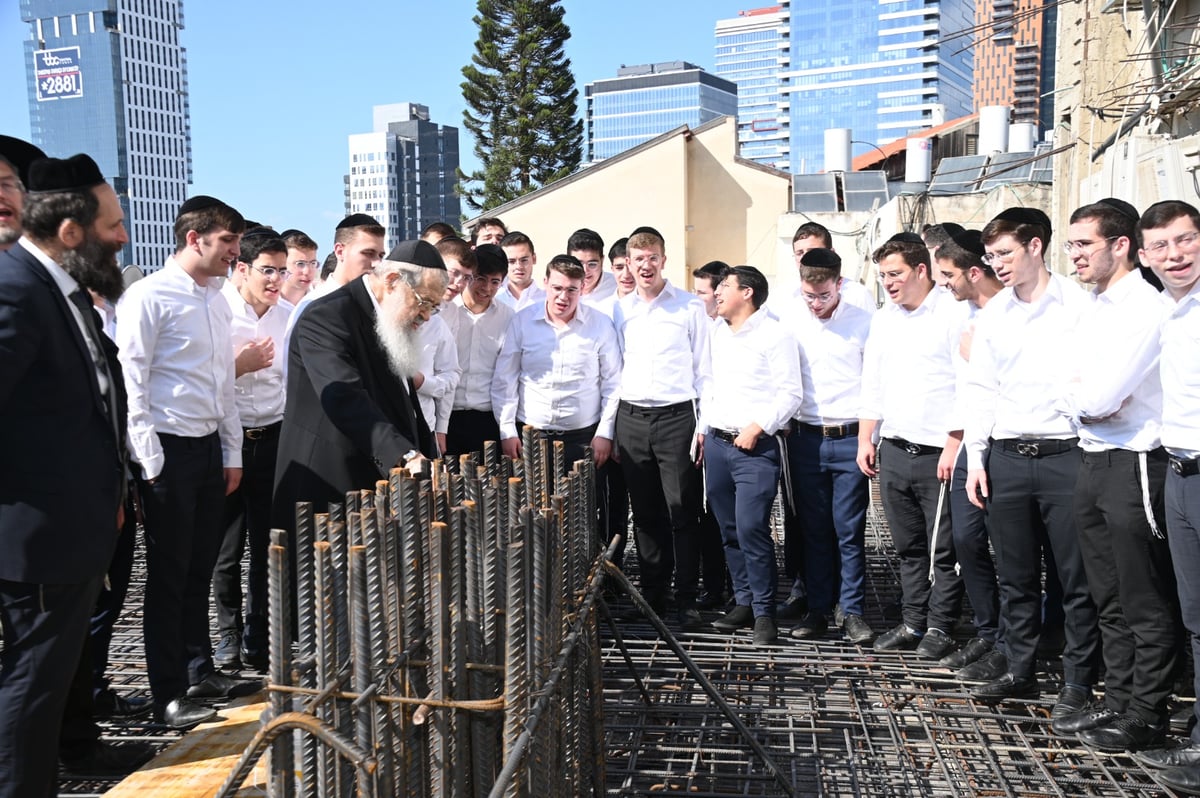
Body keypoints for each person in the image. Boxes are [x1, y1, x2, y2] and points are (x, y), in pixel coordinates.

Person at [0, 153, 140, 795]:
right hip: (37, 538)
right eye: (113, 225)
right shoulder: (17, 287)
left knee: (48, 688)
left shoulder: (63, 293)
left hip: (73, 529)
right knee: (30, 690)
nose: (123, 237)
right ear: (71, 232)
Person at [116, 195, 255, 729]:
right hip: (167, 451)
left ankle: (200, 671)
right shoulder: (149, 297)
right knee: (169, 576)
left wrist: (230, 450)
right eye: (227, 242)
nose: (234, 253)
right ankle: (166, 691)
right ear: (195, 239)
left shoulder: (215, 299)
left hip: (207, 450)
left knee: (200, 566)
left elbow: (221, 383)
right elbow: (133, 384)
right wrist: (149, 464)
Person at [1045, 198, 1179, 751]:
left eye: (1083, 245)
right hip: (1093, 456)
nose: (1071, 255)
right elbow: (1062, 383)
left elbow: (1098, 395)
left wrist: (1080, 397)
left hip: (1134, 463)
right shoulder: (1093, 306)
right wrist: (1081, 399)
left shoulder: (1146, 308)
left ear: (1120, 246)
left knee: (1142, 596)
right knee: (1107, 595)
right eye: (1070, 244)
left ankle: (1148, 712)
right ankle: (1118, 699)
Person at [963, 207, 1101, 715]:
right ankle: (1019, 670)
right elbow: (981, 389)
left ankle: (1077, 684)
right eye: (991, 255)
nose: (996, 264)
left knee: (1075, 580)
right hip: (1007, 458)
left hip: (1066, 455)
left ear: (1036, 246)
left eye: (1005, 253)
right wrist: (977, 459)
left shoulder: (1080, 306)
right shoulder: (994, 314)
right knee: (1016, 577)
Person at [274, 239, 445, 522]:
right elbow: (345, 398)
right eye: (424, 302)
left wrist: (425, 454)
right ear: (392, 281)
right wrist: (405, 455)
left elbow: (401, 401)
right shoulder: (326, 316)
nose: (426, 315)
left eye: (434, 307)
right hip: (330, 488)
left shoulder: (388, 319)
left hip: (377, 489)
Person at [857, 233, 966, 660]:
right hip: (896, 448)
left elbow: (966, 383)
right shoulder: (884, 319)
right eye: (883, 275)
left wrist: (954, 443)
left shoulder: (953, 314)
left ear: (923, 269)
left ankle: (940, 626)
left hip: (938, 451)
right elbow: (873, 381)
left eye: (896, 273)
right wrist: (868, 436)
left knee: (943, 548)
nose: (889, 282)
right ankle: (912, 620)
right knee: (907, 547)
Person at [1133, 201, 1200, 792]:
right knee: (1196, 617)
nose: (1174, 255)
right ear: (1145, 255)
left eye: (1184, 241)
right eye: (1161, 247)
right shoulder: (1167, 308)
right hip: (1179, 472)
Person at [613, 228, 712, 629]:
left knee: (684, 510)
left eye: (652, 257)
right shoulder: (618, 311)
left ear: (664, 260)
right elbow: (613, 371)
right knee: (646, 513)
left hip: (677, 419)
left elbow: (705, 371)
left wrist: (703, 425)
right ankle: (654, 593)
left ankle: (687, 595)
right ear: (629, 264)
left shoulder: (689, 308)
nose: (646, 265)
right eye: (638, 259)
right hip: (633, 419)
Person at [702, 266, 802, 645]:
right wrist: (706, 429)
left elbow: (791, 393)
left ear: (747, 292)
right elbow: (709, 384)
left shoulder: (775, 335)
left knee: (751, 528)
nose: (717, 293)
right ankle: (742, 600)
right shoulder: (717, 333)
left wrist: (758, 426)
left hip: (754, 449)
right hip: (717, 443)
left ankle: (764, 611)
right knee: (727, 528)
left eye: (724, 287)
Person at [929, 229, 1009, 682]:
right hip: (971, 445)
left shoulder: (1007, 312)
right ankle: (987, 628)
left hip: (1006, 444)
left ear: (972, 271)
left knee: (1010, 552)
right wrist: (957, 442)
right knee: (966, 540)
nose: (943, 284)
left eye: (947, 275)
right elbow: (967, 390)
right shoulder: (969, 315)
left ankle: (1011, 639)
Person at [212, 228, 293, 672]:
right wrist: (238, 367)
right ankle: (226, 634)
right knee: (227, 549)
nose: (276, 280)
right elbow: (202, 378)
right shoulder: (219, 312)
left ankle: (258, 636)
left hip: (274, 438)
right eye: (268, 270)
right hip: (231, 439)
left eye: (282, 270)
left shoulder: (288, 315)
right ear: (241, 268)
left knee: (268, 545)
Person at [785, 248, 875, 645]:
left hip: (851, 439)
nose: (816, 304)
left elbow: (875, 384)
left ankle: (852, 610)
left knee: (849, 530)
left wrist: (870, 439)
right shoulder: (788, 320)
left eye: (823, 296)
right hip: (804, 438)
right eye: (809, 296)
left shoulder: (864, 324)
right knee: (814, 529)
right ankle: (819, 607)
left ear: (839, 284)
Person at [492, 254, 621, 473]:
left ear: (582, 289)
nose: (563, 296)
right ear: (545, 284)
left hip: (584, 439)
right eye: (557, 288)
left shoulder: (600, 325)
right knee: (532, 506)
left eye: (572, 289)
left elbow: (613, 382)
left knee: (585, 506)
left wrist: (604, 432)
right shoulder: (522, 321)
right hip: (530, 438)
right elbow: (505, 378)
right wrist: (507, 430)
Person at [282, 214, 386, 367]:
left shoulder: (376, 306)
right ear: (339, 251)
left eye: (381, 255)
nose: (377, 263)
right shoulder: (312, 308)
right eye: (368, 253)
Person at [442, 244, 514, 456]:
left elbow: (508, 376)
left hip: (487, 418)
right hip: (447, 417)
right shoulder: (446, 310)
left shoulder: (509, 318)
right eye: (480, 278)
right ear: (469, 276)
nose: (487, 288)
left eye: (495, 282)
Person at [415, 238, 469, 454]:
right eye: (453, 272)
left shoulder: (443, 318)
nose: (458, 282)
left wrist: (441, 428)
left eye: (466, 277)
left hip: (425, 424)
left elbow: (450, 372)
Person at [788, 221, 876, 314]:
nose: (805, 258)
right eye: (799, 253)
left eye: (813, 251)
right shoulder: (783, 297)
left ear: (831, 253)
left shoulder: (859, 296)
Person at [496, 231, 545, 311]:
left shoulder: (548, 301)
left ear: (534, 259)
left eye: (524, 260)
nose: (518, 266)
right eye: (511, 261)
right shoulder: (493, 301)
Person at [568, 228, 617, 302]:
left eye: (592, 264)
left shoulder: (617, 288)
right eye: (578, 264)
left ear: (602, 261)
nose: (585, 270)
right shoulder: (556, 289)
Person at [279, 228, 320, 307]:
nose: (307, 271)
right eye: (300, 264)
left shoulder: (320, 302)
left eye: (313, 263)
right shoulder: (265, 304)